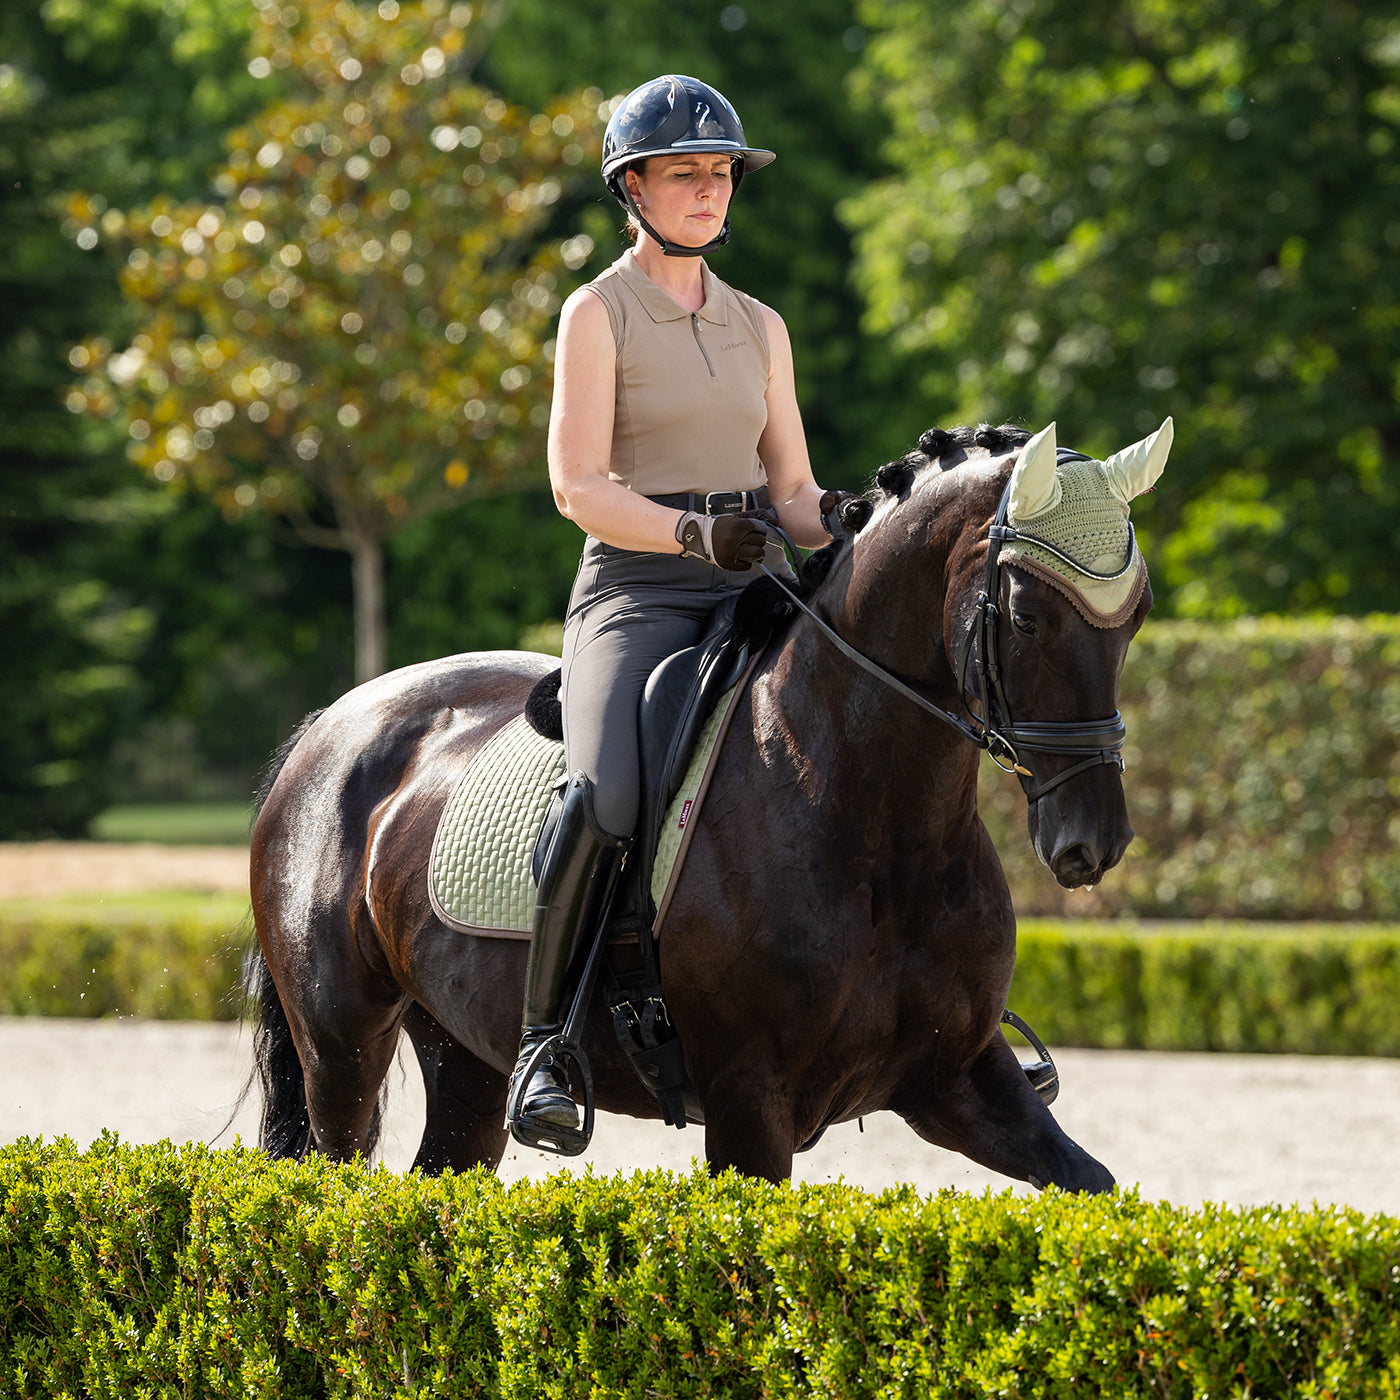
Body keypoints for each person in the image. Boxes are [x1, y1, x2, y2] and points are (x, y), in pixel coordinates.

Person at [507, 73, 862, 1144]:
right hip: (637, 588)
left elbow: (792, 492)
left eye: (719, 174)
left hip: (749, 578)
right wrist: (692, 532)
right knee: (610, 793)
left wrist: (849, 518)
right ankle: (545, 1043)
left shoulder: (761, 324)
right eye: (683, 175)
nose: (707, 192)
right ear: (633, 187)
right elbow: (577, 486)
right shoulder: (596, 311)